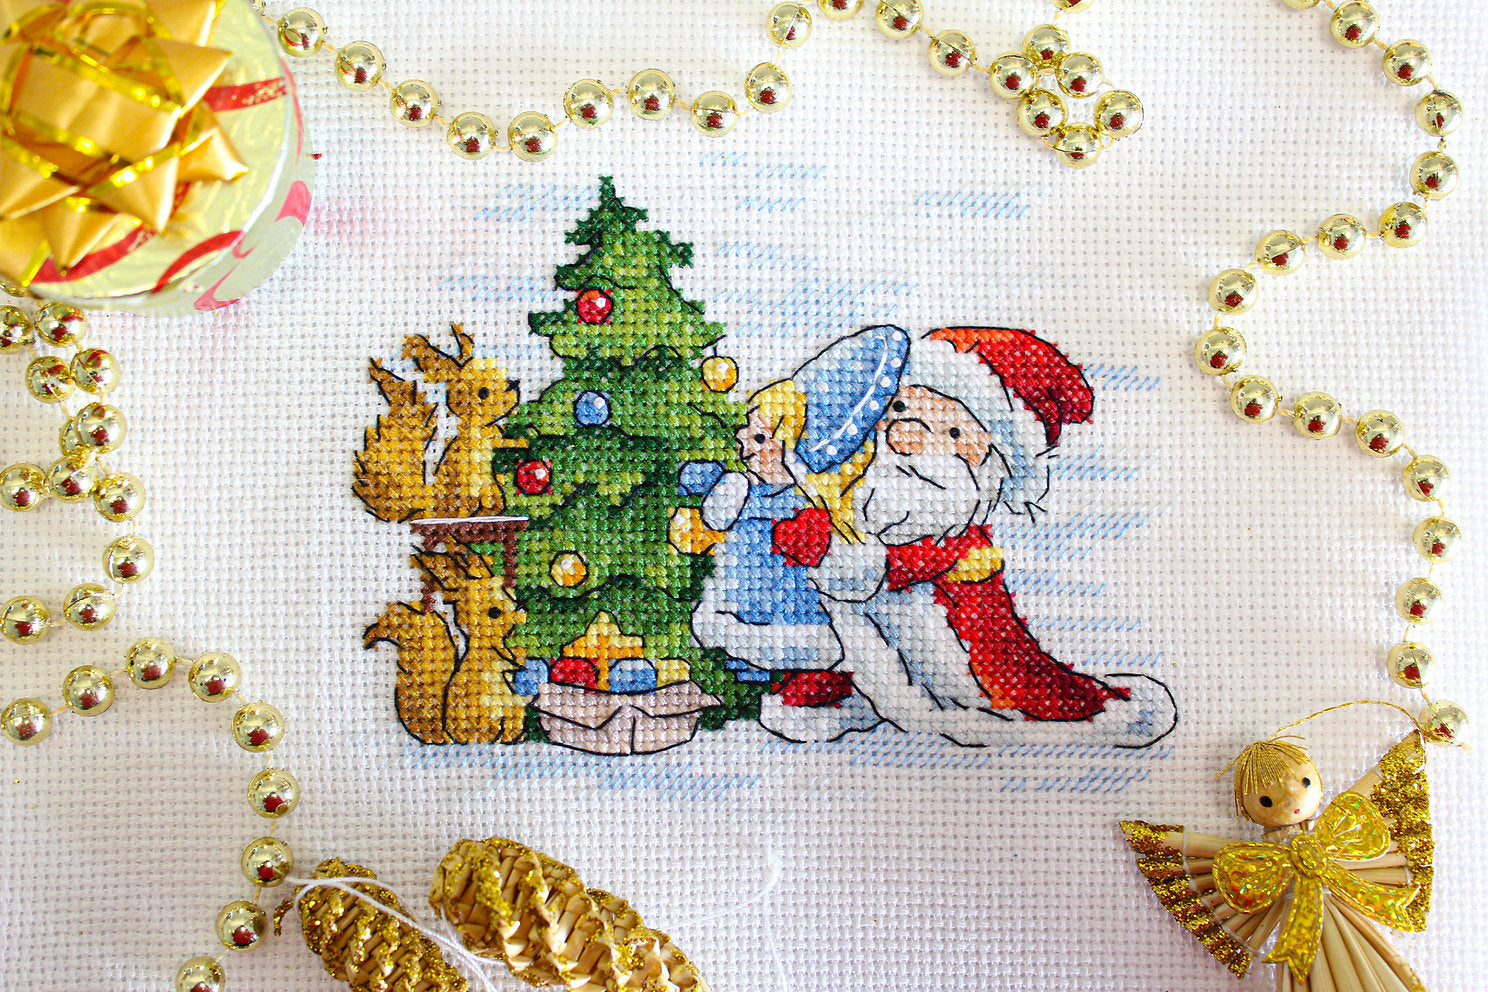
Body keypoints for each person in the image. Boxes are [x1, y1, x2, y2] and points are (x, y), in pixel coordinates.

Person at [769, 326, 1176, 746]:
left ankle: (1088, 710)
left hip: (966, 646)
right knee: (862, 638)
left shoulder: (957, 536)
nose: (905, 435)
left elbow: (902, 567)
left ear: (988, 457)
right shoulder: (859, 491)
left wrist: (854, 561)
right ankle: (861, 687)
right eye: (900, 407)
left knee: (997, 688)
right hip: (872, 633)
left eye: (952, 432)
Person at [691, 326, 908, 737]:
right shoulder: (743, 489)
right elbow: (716, 517)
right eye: (746, 435)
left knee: (801, 642)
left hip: (797, 606)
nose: (746, 446)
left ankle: (817, 685)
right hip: (740, 596)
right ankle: (755, 680)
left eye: (760, 437)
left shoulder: (808, 503)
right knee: (739, 638)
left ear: (788, 443)